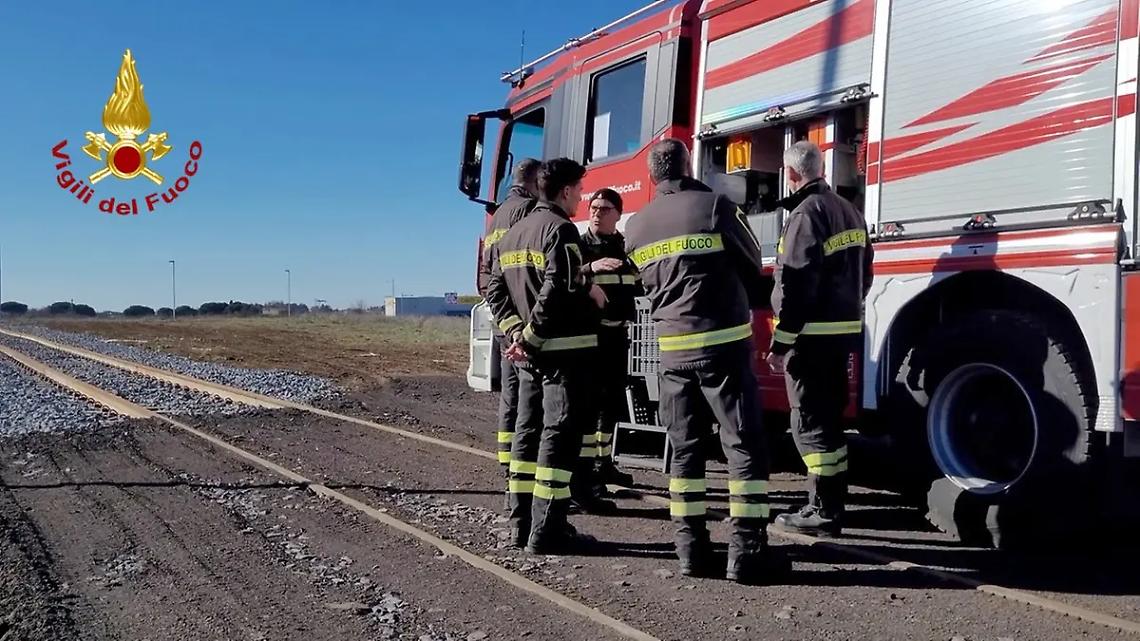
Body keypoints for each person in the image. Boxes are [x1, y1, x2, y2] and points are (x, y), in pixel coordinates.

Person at [624, 138, 786, 583]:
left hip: (671, 352)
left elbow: (646, 282)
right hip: (723, 347)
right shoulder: (715, 206)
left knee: (686, 451)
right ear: (687, 164)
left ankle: (691, 549)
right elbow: (753, 261)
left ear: (654, 176)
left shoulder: (635, 226)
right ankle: (747, 551)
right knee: (743, 445)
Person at [485, 157, 605, 554]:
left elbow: (494, 292)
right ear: (567, 191)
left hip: (528, 357)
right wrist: (533, 335)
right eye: (580, 191)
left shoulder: (512, 234)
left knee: (528, 433)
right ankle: (549, 531)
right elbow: (560, 288)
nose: (582, 198)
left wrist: (516, 333)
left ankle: (520, 524)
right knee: (559, 436)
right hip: (564, 355)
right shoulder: (561, 230)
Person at [766, 141, 874, 537]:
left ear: (792, 174)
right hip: (843, 334)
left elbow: (794, 284)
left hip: (810, 339)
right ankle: (831, 504)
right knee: (829, 422)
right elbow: (866, 274)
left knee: (809, 422)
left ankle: (822, 511)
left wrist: (781, 342)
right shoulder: (850, 212)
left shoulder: (804, 214)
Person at [478, 159, 540, 485]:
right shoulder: (529, 211)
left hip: (503, 315)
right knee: (530, 398)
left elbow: (490, 273)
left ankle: (506, 460)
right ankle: (523, 466)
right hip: (525, 317)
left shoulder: (498, 215)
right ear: (535, 182)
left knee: (510, 392)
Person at [579, 188, 640, 496]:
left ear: (617, 213)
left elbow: (639, 283)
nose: (596, 212)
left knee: (612, 404)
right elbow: (561, 275)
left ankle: (605, 463)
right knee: (590, 405)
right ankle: (587, 471)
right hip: (592, 338)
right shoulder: (580, 246)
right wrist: (591, 267)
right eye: (593, 207)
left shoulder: (625, 246)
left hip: (619, 335)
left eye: (604, 208)